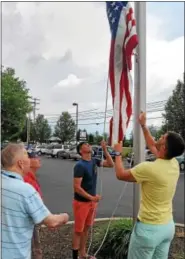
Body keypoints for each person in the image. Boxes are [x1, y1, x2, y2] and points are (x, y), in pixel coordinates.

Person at [113, 112, 185, 259]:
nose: (159, 137)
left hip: (148, 230)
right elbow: (152, 144)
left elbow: (120, 174)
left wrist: (118, 153)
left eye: (162, 137)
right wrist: (143, 125)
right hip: (167, 228)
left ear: (164, 147)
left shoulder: (148, 169)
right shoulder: (174, 164)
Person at [1, 143, 69, 259]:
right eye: (27, 156)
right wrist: (64, 216)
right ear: (20, 164)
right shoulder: (25, 190)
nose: (31, 159)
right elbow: (51, 221)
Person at [72, 141, 114, 259]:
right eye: (85, 144)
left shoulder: (94, 161)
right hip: (81, 203)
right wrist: (92, 198)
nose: (88, 144)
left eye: (88, 144)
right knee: (78, 231)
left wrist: (105, 150)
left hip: (92, 203)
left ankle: (83, 254)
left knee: (86, 228)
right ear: (81, 151)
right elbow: (77, 187)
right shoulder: (80, 165)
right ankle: (75, 256)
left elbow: (111, 164)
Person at [24, 151, 43, 259]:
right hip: (30, 220)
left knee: (36, 246)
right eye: (36, 157)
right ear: (28, 161)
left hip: (34, 219)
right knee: (34, 248)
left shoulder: (32, 177)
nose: (39, 159)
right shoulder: (26, 180)